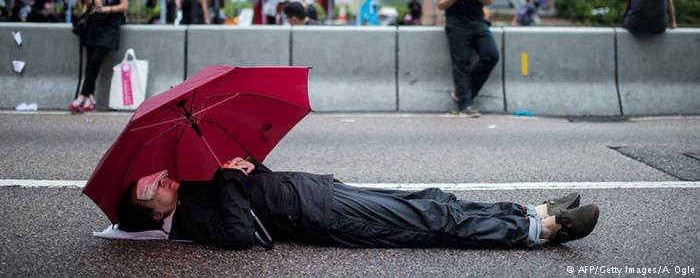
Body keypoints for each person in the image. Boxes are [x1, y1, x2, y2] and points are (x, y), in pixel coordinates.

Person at [117, 158, 600, 250]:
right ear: (157, 214)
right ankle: (543, 230)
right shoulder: (193, 222)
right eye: (152, 187)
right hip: (322, 215)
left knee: (431, 199)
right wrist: (230, 179)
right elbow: (244, 234)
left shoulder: (199, 190)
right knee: (428, 220)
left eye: (156, 175)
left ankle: (527, 212)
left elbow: (250, 196)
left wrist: (249, 169)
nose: (161, 179)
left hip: (322, 192)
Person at [436, 0, 499, 118]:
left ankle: (463, 93)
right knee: (461, 64)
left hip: (478, 21)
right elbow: (440, 4)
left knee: (491, 55)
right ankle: (466, 105)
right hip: (456, 23)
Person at [68, 0, 128, 113]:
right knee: (90, 64)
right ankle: (90, 99)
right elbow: (87, 6)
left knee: (95, 61)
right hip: (93, 25)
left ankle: (82, 96)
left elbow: (124, 5)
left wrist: (105, 9)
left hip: (110, 26)